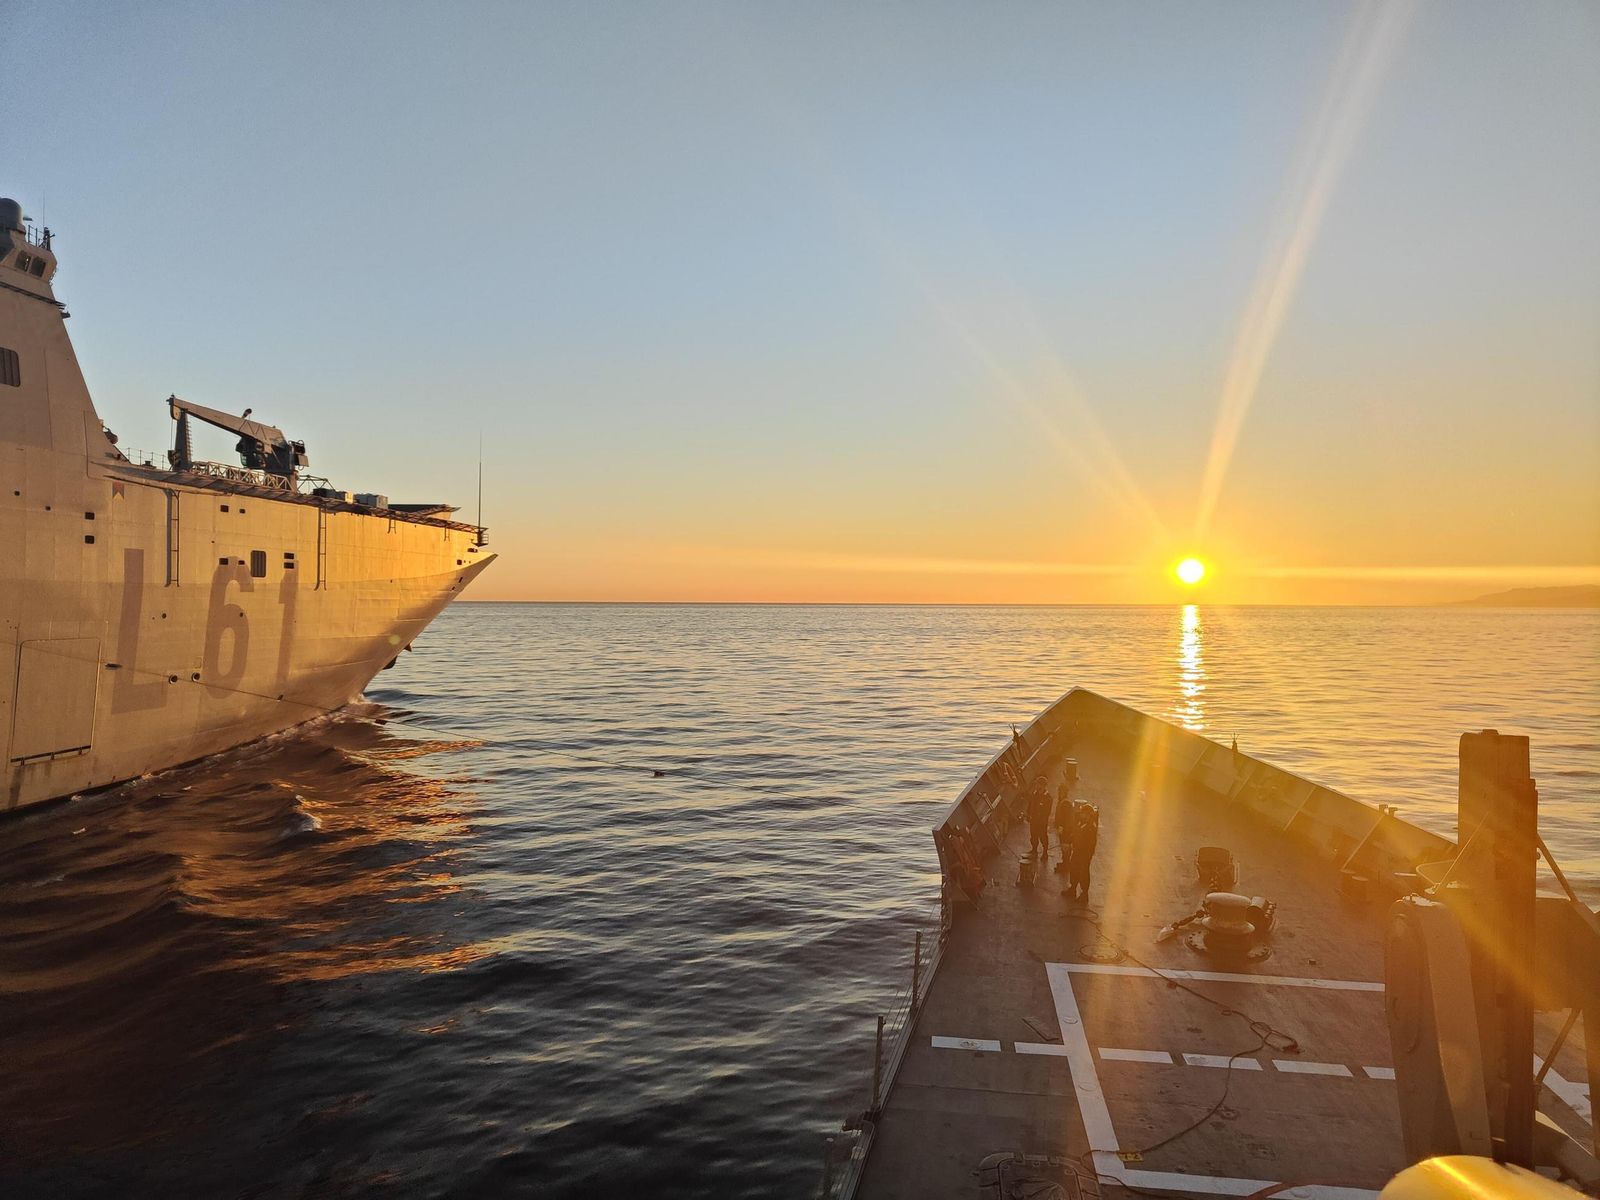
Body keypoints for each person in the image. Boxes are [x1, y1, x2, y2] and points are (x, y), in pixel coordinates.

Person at [1069, 803, 1100, 901]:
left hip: (1084, 854)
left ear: (1089, 815)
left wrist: (1083, 852)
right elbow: (1077, 833)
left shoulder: (1091, 827)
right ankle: (1072, 888)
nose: (1081, 814)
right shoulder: (1081, 822)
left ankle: (1084, 894)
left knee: (1083, 873)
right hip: (1077, 851)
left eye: (1084, 813)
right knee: (1074, 869)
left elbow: (1089, 843)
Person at [1052, 779, 1075, 874]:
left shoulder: (1066, 803)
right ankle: (1065, 862)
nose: (1060, 793)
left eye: (1061, 791)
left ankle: (1066, 865)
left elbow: (1068, 819)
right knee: (1064, 847)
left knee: (1066, 847)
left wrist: (1062, 827)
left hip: (1066, 831)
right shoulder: (1062, 801)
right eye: (1059, 791)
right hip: (1064, 830)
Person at [1026, 776, 1051, 858]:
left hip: (1041, 822)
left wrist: (1042, 821)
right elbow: (1030, 804)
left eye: (1038, 784)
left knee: (1043, 836)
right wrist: (1028, 813)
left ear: (1043, 786)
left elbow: (1047, 812)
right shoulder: (1034, 794)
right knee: (1033, 835)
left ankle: (1045, 852)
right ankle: (1034, 849)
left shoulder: (1048, 798)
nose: (1036, 786)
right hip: (1033, 820)